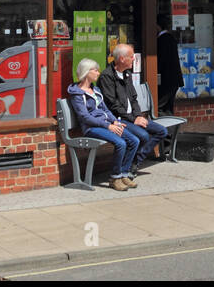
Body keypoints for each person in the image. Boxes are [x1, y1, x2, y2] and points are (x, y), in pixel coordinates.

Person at [67, 58, 141, 191]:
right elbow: (85, 117)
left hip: (106, 124)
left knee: (134, 140)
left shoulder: (95, 90)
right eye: (95, 70)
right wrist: (108, 126)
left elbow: (105, 109)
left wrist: (115, 121)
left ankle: (124, 174)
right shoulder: (77, 94)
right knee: (121, 143)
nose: (98, 72)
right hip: (92, 128)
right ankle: (114, 178)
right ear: (86, 72)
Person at [98, 43, 168, 170]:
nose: (134, 59)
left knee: (162, 131)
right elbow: (113, 105)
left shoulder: (127, 74)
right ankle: (129, 167)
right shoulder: (107, 77)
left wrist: (138, 116)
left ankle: (135, 161)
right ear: (122, 59)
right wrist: (133, 119)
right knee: (143, 136)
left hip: (133, 117)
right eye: (131, 56)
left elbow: (134, 99)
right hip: (120, 119)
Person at [155, 15, 183, 113]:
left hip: (166, 80)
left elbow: (160, 61)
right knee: (168, 106)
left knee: (159, 106)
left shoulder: (162, 40)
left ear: (158, 26)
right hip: (174, 80)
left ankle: (167, 126)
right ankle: (170, 126)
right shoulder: (171, 38)